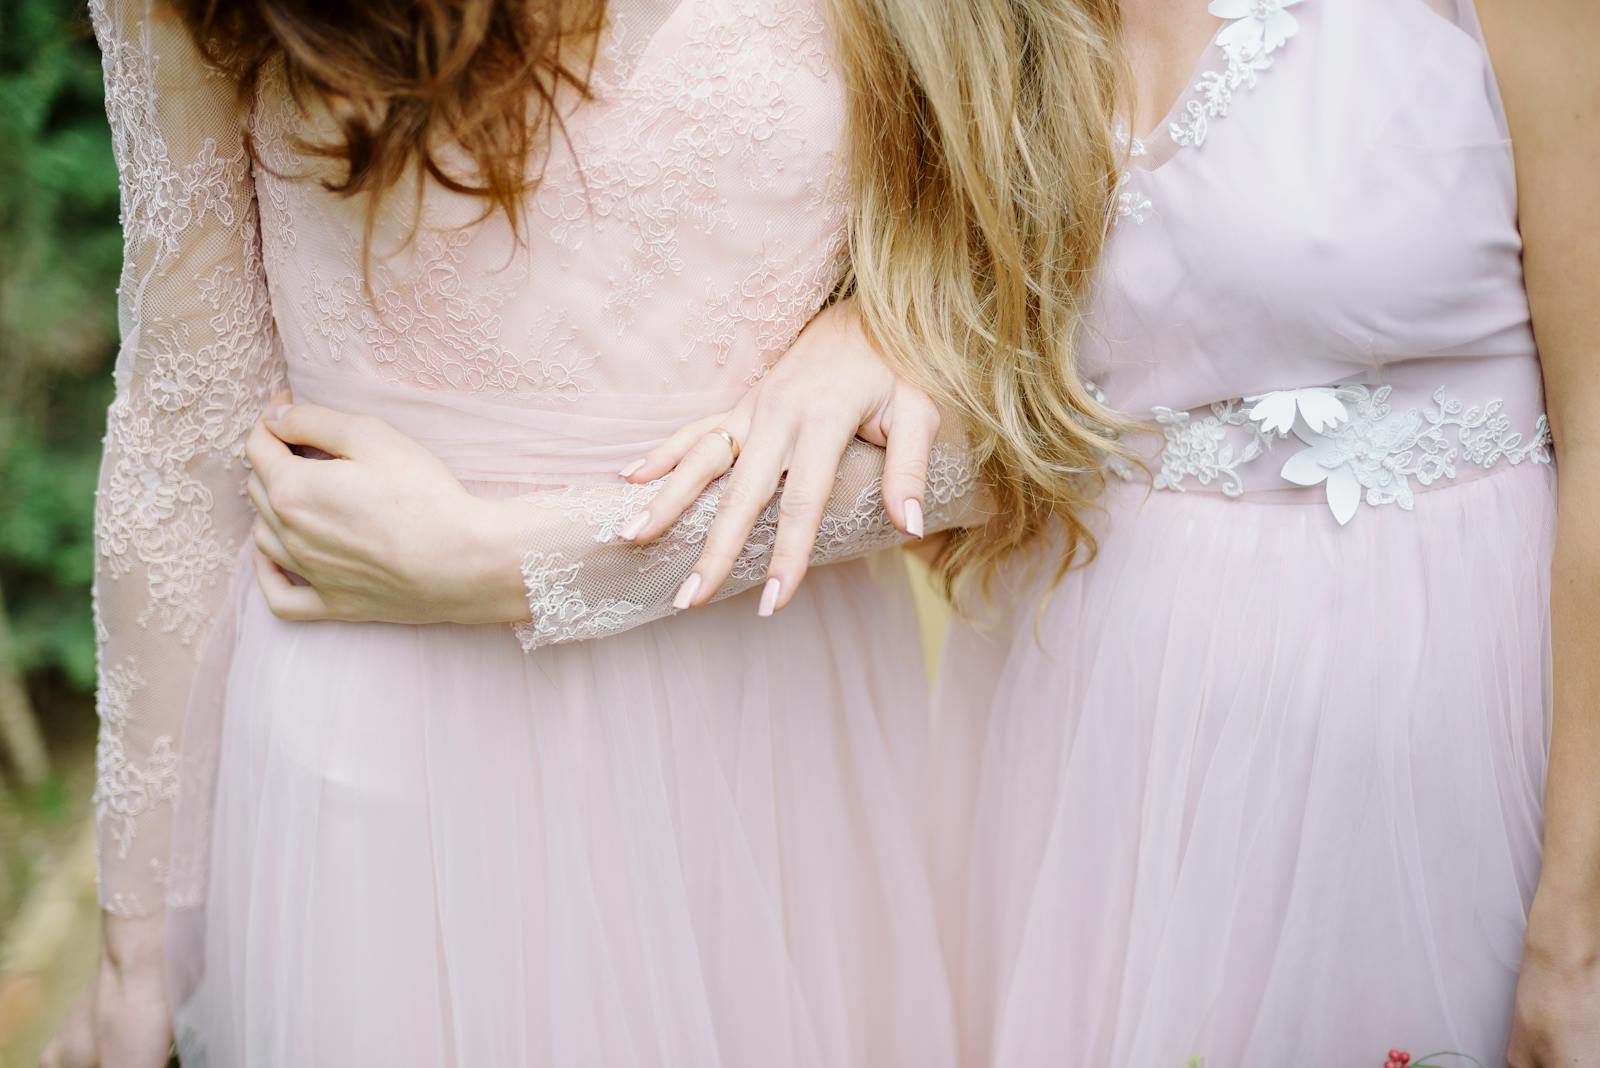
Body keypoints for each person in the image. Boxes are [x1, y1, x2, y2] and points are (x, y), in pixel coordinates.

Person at [44, 0, 1125, 1065]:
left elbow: (1035, 414)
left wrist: (534, 562)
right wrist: (140, 940)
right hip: (387, 721)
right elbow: (185, 423)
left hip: (766, 736)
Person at [930, 0, 1600, 1064]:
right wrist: (852, 335)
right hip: (1098, 748)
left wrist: (1580, 923)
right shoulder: (965, 27)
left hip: (1446, 747)